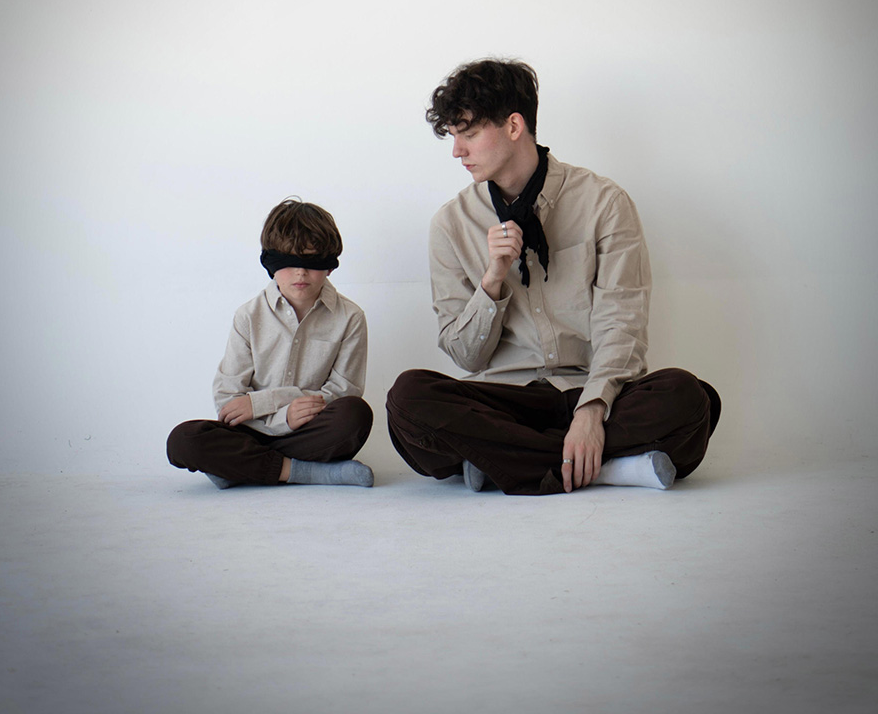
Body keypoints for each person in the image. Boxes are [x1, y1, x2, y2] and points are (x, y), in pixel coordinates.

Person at [387, 59, 720, 496]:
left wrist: (591, 410)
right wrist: (492, 280)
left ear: (514, 126)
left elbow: (622, 322)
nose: (457, 151)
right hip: (506, 402)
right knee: (408, 399)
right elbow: (466, 358)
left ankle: (498, 462)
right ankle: (611, 469)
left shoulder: (604, 202)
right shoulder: (451, 224)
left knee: (689, 397)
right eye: (453, 136)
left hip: (592, 388)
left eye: (469, 134)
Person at [167, 198, 374, 489]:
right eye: (288, 261)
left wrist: (271, 406)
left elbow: (343, 391)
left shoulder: (350, 317)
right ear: (270, 264)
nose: (300, 272)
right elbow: (229, 401)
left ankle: (239, 467)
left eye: (312, 261)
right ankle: (305, 472)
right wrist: (277, 415)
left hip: (310, 429)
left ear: (329, 266)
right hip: (254, 430)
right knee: (184, 441)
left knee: (354, 415)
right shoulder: (248, 316)